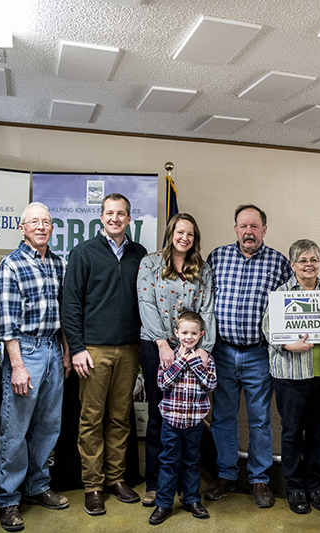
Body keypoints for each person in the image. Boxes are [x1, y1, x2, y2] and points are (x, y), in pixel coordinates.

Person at [62, 193, 147, 516]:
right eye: (109, 213)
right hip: (93, 350)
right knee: (91, 420)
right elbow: (70, 305)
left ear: (129, 218)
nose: (115, 218)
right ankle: (93, 486)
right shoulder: (83, 253)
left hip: (129, 349)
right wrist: (79, 348)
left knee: (119, 418)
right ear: (101, 217)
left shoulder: (139, 254)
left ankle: (116, 479)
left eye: (121, 213)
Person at [204, 204, 292, 508]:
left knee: (259, 419)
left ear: (264, 230)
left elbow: (288, 307)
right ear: (235, 229)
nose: (249, 232)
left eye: (255, 226)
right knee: (223, 416)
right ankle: (226, 473)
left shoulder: (279, 262)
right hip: (223, 352)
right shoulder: (217, 257)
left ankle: (259, 479)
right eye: (243, 226)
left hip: (258, 354)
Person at [0, 202, 71, 532]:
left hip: (54, 348)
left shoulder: (58, 262)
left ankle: (38, 486)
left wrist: (66, 353)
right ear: (22, 228)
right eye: (34, 222)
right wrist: (18, 366)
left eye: (47, 222)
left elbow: (64, 312)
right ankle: (8, 500)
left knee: (49, 425)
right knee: (15, 428)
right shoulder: (11, 265)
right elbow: (7, 323)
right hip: (25, 350)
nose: (41, 227)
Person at [262, 239, 320, 514]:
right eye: (303, 261)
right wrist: (288, 344)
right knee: (291, 434)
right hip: (290, 376)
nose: (308, 265)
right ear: (292, 265)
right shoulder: (280, 294)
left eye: (313, 260)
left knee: (318, 435)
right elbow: (268, 329)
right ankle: (294, 486)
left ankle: (314, 484)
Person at [137, 213, 215, 507]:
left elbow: (207, 307)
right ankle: (156, 484)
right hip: (156, 346)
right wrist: (162, 344)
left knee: (190, 416)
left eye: (190, 234)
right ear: (170, 233)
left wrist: (203, 348)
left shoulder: (202, 268)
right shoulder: (150, 263)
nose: (185, 238)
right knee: (160, 416)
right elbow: (146, 303)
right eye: (180, 232)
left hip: (192, 348)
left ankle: (186, 485)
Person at [148, 311, 217, 525]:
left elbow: (211, 385)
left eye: (194, 333)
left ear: (201, 334)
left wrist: (195, 364)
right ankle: (164, 503)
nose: (189, 337)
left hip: (195, 421)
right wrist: (180, 364)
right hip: (171, 420)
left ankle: (192, 499)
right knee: (169, 461)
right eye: (184, 332)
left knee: (191, 461)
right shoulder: (169, 357)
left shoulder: (206, 359)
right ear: (176, 333)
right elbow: (162, 384)